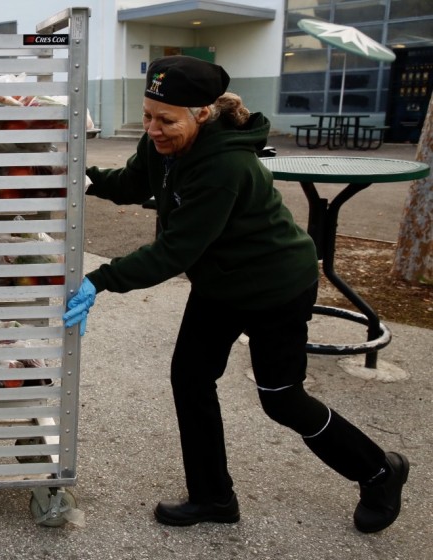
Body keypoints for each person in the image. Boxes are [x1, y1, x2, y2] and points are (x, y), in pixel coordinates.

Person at [63, 55, 409, 533]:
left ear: (202, 113)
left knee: (281, 397)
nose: (154, 129)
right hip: (221, 284)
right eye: (147, 115)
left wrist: (98, 279)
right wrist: (85, 180)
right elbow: (132, 183)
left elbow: (174, 252)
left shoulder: (226, 165)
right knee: (190, 378)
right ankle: (213, 498)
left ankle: (379, 471)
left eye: (166, 120)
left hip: (275, 286)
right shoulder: (163, 144)